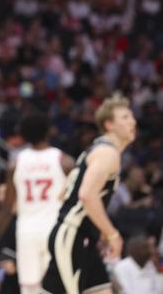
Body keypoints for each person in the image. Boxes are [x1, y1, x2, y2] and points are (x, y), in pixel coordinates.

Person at [42, 94, 137, 294]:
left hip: (83, 236)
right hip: (73, 236)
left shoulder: (97, 149)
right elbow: (87, 195)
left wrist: (98, 231)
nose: (133, 121)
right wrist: (112, 234)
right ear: (109, 124)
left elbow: (64, 194)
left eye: (132, 116)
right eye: (125, 117)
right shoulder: (107, 153)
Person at [0, 112, 74, 294]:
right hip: (56, 230)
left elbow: (6, 209)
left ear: (23, 135)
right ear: (49, 131)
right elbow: (76, 202)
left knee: (30, 288)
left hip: (27, 232)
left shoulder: (16, 164)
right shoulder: (64, 161)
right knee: (60, 287)